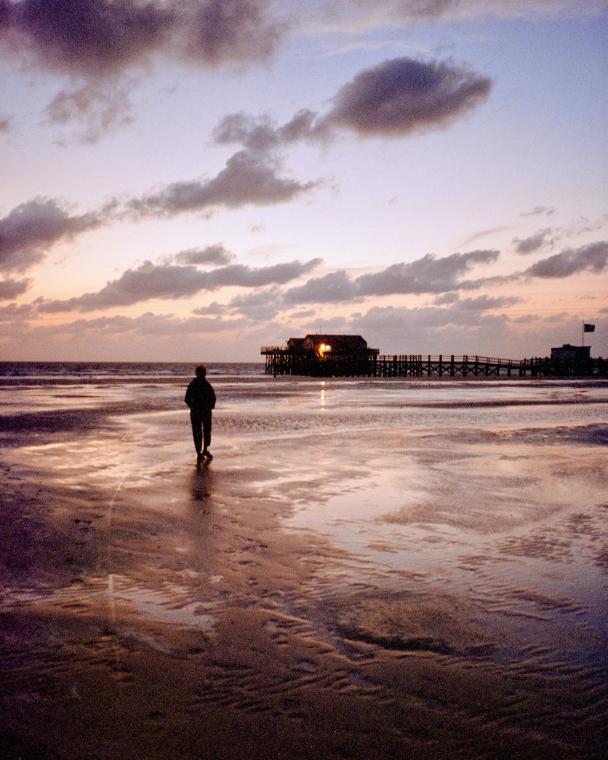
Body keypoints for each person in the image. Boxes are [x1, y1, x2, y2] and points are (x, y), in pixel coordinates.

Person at [185, 365, 216, 464]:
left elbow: (213, 397)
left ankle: (203, 450)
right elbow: (187, 399)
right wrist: (193, 406)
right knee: (201, 431)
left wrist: (210, 406)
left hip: (201, 411)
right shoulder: (199, 384)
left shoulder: (200, 384)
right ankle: (201, 451)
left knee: (202, 431)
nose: (203, 374)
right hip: (200, 411)